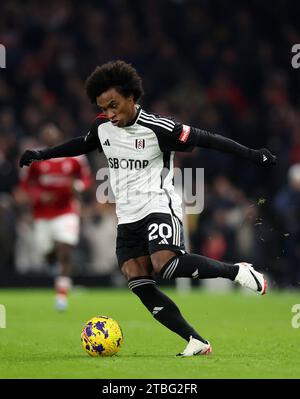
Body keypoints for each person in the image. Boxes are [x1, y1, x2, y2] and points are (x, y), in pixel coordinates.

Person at [19, 60, 277, 355]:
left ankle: (237, 272)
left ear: (131, 97)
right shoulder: (103, 127)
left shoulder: (159, 128)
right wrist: (42, 154)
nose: (110, 114)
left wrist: (253, 155)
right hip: (127, 215)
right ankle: (196, 341)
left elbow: (207, 139)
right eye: (104, 107)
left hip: (158, 204)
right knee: (137, 279)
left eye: (114, 105)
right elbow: (82, 143)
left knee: (165, 264)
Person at [18, 123, 93, 311]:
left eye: (53, 132)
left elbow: (86, 179)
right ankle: (56, 271)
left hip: (66, 211)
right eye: (46, 133)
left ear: (59, 135)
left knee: (65, 250)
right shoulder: (36, 158)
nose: (50, 136)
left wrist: (77, 187)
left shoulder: (75, 157)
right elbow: (26, 184)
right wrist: (38, 195)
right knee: (48, 253)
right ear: (42, 137)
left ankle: (61, 295)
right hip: (42, 213)